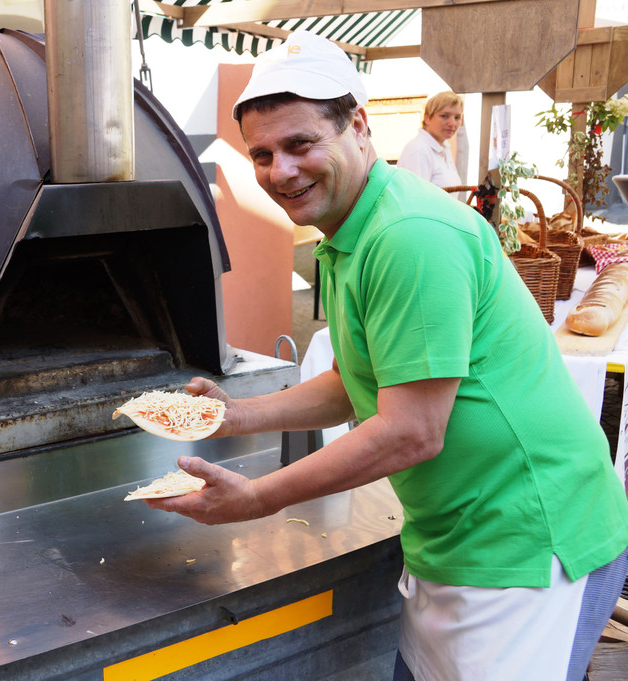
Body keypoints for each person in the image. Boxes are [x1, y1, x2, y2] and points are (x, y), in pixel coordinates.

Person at [144, 30, 628, 681]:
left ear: (360, 126)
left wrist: (259, 497)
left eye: (300, 144)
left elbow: (410, 431)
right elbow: (354, 382)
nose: (279, 170)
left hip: (529, 546)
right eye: (261, 153)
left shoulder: (408, 235)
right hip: (453, 540)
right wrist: (235, 416)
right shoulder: (349, 234)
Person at [397, 91, 466, 190]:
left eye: (457, 117)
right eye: (444, 116)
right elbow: (414, 198)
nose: (452, 123)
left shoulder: (444, 147)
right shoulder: (419, 151)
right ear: (427, 118)